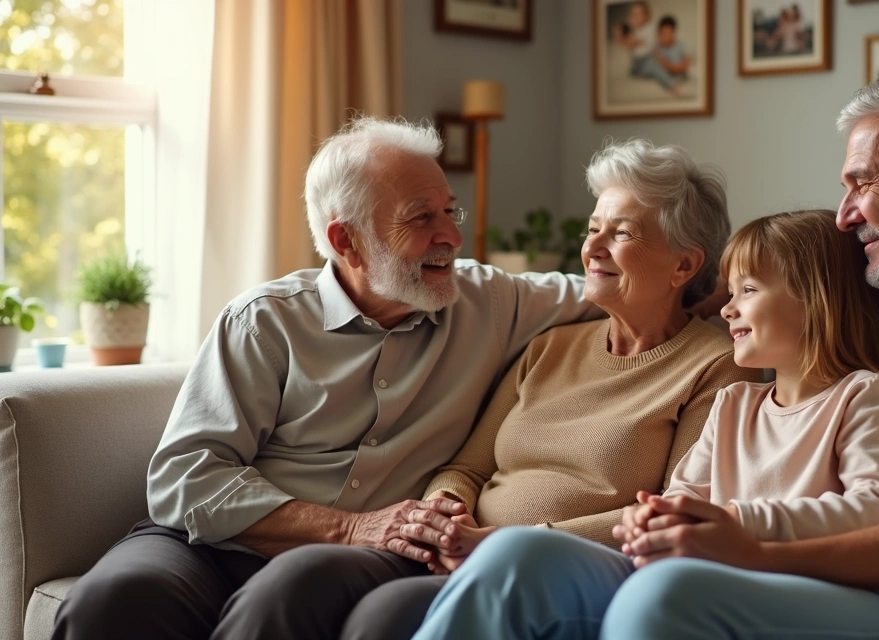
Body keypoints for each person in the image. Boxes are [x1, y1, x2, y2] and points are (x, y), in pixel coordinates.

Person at [421, 65, 879, 639]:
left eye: (861, 183)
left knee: (667, 591)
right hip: (786, 565)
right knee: (519, 560)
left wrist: (749, 548)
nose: (844, 214)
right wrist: (721, 298)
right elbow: (794, 300)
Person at [50, 117, 606, 640]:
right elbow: (184, 478)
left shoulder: (490, 301)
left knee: (290, 594)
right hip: (214, 544)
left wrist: (693, 286)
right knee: (114, 600)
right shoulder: (267, 320)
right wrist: (347, 526)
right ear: (347, 241)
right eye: (421, 217)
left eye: (449, 212)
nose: (452, 238)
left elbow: (617, 289)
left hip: (361, 561)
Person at [410, 208, 879, 640]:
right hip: (698, 563)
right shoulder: (736, 403)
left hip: (781, 579)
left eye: (748, 289)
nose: (727, 306)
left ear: (815, 301)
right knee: (519, 550)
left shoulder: (860, 394)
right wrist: (647, 520)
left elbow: (874, 508)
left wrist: (739, 523)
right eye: (730, 290)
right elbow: (683, 497)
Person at [336, 140, 759, 637]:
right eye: (592, 229)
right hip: (469, 549)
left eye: (620, 234)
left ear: (684, 266)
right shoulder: (551, 347)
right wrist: (445, 514)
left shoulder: (717, 368)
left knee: (384, 616)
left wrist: (505, 541)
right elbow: (467, 469)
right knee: (315, 578)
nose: (593, 248)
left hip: (571, 568)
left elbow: (672, 510)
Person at [653, 15, 690, 86]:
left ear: (674, 32)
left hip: (682, 81)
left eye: (668, 32)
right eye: (662, 32)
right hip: (666, 82)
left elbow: (684, 67)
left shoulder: (681, 46)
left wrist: (669, 66)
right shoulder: (657, 48)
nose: (665, 35)